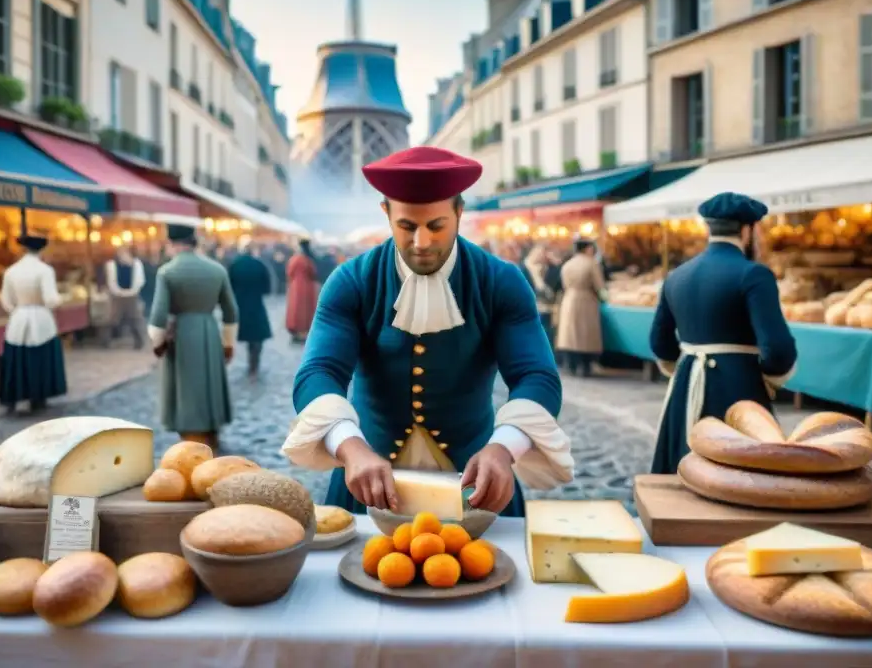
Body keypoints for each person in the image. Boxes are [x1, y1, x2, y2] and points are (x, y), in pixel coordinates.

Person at [282, 146, 573, 518]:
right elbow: (318, 373)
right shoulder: (351, 281)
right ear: (386, 213)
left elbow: (536, 376)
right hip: (367, 481)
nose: (421, 242)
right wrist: (351, 448)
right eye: (407, 227)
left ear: (459, 212)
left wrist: (503, 448)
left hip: (476, 484)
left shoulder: (501, 281)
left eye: (436, 226)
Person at [649, 192, 798, 474]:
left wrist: (684, 367)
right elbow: (778, 350)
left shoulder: (677, 275)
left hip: (685, 385)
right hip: (738, 390)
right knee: (741, 478)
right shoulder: (754, 274)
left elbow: (659, 343)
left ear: (709, 227)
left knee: (684, 473)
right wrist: (765, 378)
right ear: (747, 230)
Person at [148, 224, 240, 453]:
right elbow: (231, 312)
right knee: (210, 380)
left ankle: (191, 438)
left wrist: (158, 343)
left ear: (171, 244)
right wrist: (228, 344)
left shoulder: (167, 272)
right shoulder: (216, 269)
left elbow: (158, 316)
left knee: (185, 384)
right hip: (209, 330)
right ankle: (212, 432)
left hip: (182, 333)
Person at [0, 234, 67, 415]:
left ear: (23, 249)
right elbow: (51, 299)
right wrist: (62, 298)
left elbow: (6, 301)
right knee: (40, 357)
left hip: (19, 318)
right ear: (42, 249)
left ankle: (12, 398)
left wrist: (17, 311)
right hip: (41, 318)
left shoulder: (11, 271)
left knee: (16, 358)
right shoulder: (45, 270)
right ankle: (38, 398)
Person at [556, 237, 606, 376]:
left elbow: (564, 285)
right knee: (585, 335)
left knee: (570, 334)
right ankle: (585, 366)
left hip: (569, 299)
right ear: (588, 249)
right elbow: (600, 286)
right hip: (586, 300)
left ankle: (571, 365)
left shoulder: (567, 264)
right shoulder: (591, 263)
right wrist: (606, 297)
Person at [227, 238, 273, 376]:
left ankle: (247, 363)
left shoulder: (234, 265)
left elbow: (229, 286)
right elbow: (267, 288)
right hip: (256, 304)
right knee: (256, 338)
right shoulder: (259, 265)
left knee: (243, 333)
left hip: (240, 304)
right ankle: (254, 364)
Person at [103, 246, 146, 349]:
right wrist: (118, 292)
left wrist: (132, 291)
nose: (123, 256)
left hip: (132, 296)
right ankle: (106, 341)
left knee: (135, 319)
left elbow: (140, 280)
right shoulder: (112, 265)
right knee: (113, 319)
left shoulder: (136, 265)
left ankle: (139, 342)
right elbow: (111, 281)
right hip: (117, 296)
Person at [521, 245, 557, 345]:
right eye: (538, 253)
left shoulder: (547, 268)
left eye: (542, 254)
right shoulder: (523, 268)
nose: (541, 256)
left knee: (547, 334)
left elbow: (554, 284)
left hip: (546, 307)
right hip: (530, 307)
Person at [285, 237, 319, 344]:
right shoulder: (309, 260)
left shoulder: (294, 259)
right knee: (306, 309)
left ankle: (295, 330)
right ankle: (305, 331)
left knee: (295, 309)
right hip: (308, 287)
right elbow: (314, 273)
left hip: (295, 287)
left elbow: (289, 272)